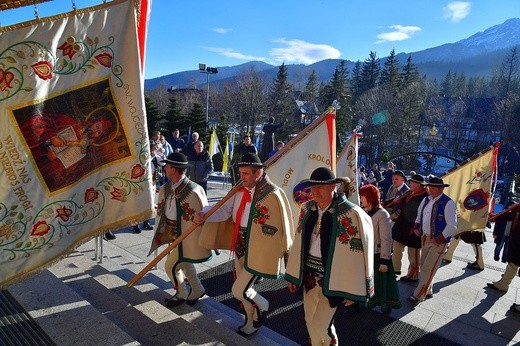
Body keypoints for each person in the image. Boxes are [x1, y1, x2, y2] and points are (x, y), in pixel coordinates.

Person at [195, 153, 293, 337]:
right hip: (239, 244)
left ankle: (263, 305)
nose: (242, 177)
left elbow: (283, 226)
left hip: (259, 248)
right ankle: (251, 320)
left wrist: (280, 251)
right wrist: (204, 213)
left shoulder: (273, 193)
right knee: (243, 288)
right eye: (240, 173)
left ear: (259, 173)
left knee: (238, 289)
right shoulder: (238, 190)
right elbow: (223, 210)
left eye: (246, 173)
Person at [285, 167, 374, 346]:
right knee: (310, 321)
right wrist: (293, 273)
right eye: (312, 187)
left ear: (333, 186)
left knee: (320, 326)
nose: (315, 191)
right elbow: (298, 241)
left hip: (335, 279)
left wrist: (355, 288)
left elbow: (361, 253)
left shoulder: (352, 213)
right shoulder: (307, 208)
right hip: (310, 276)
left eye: (321, 187)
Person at [148, 152, 210, 307]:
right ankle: (197, 288)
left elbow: (204, 215)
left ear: (173, 169)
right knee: (184, 262)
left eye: (167, 166)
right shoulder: (165, 188)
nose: (165, 168)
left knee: (170, 266)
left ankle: (181, 293)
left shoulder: (194, 190)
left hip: (186, 236)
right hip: (171, 232)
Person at [409, 176, 457, 306]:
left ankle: (418, 295)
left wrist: (440, 238)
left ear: (441, 189)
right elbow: (419, 215)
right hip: (425, 238)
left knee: (427, 269)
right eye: (429, 187)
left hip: (438, 241)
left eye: (434, 188)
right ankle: (428, 290)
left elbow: (452, 225)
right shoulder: (426, 199)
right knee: (425, 267)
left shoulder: (448, 203)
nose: (430, 189)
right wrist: (417, 227)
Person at [359, 184, 402, 315]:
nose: (360, 199)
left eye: (362, 196)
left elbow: (386, 239)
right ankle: (367, 303)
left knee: (382, 284)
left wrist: (384, 260)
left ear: (370, 198)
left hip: (379, 256)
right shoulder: (365, 211)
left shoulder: (382, 214)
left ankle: (386, 307)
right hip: (367, 255)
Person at [391, 174, 428, 282]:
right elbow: (400, 203)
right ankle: (395, 269)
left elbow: (422, 214)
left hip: (414, 228)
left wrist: (416, 227)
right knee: (397, 248)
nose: (409, 183)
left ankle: (413, 275)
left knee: (414, 253)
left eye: (412, 182)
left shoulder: (425, 197)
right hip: (402, 225)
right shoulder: (410, 192)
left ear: (419, 185)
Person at [486, 202, 520, 293]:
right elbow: (507, 216)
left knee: (513, 264)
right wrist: (491, 217)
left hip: (518, 242)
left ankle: (503, 284)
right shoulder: (518, 208)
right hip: (516, 242)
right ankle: (503, 284)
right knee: (513, 264)